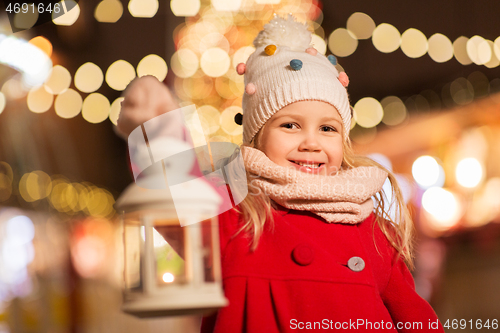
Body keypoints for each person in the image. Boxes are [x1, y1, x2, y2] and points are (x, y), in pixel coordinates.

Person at [117, 15, 445, 333]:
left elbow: (417, 320)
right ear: (258, 136)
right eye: (290, 125)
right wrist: (158, 130)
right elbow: (172, 203)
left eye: (328, 128)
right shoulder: (237, 217)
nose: (311, 142)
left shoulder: (372, 230)